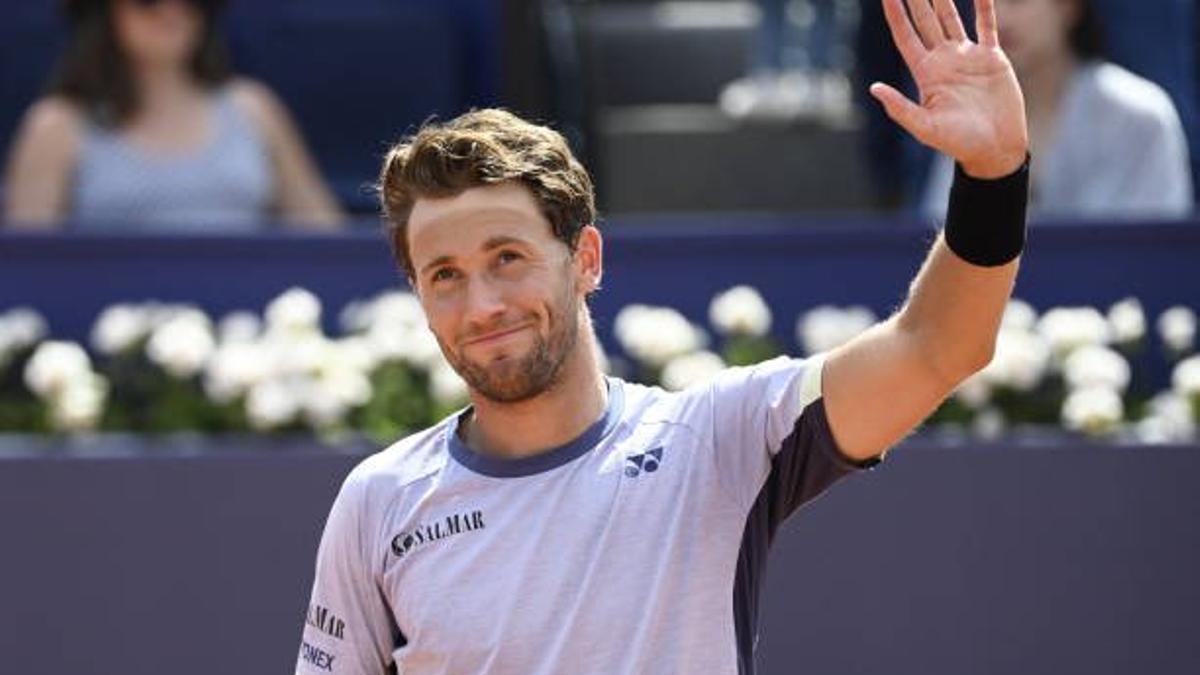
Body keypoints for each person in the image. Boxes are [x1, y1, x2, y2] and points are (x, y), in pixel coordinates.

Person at [296, 0, 1030, 672]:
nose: (482, 303)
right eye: (445, 275)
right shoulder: (380, 500)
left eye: (507, 258)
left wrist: (993, 175)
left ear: (585, 259)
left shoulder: (715, 439)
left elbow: (940, 346)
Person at [3, 0, 344, 230]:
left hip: (246, 332)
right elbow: (28, 264)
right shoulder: (57, 125)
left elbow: (322, 232)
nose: (172, 9)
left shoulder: (254, 108)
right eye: (147, 0)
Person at [921, 0, 1193, 219]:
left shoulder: (1141, 115)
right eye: (987, 4)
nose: (999, 18)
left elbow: (1156, 253)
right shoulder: (970, 115)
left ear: (1069, 7)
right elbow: (941, 238)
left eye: (1017, 2)